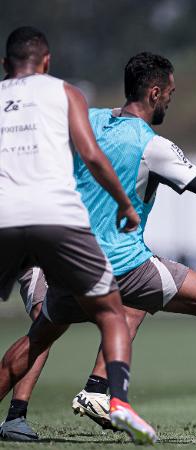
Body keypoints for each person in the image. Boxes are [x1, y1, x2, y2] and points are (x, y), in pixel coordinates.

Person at [0, 51, 196, 441]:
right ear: (155, 92)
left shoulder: (90, 119)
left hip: (70, 262)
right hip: (122, 264)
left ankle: (95, 389)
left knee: (36, 339)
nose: (170, 103)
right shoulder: (152, 145)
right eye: (170, 95)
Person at [0, 27, 159, 444]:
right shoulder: (66, 94)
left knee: (41, 329)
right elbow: (91, 155)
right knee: (114, 313)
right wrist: (125, 204)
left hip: (4, 219)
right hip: (57, 219)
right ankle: (117, 400)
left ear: (4, 66)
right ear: (47, 62)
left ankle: (16, 413)